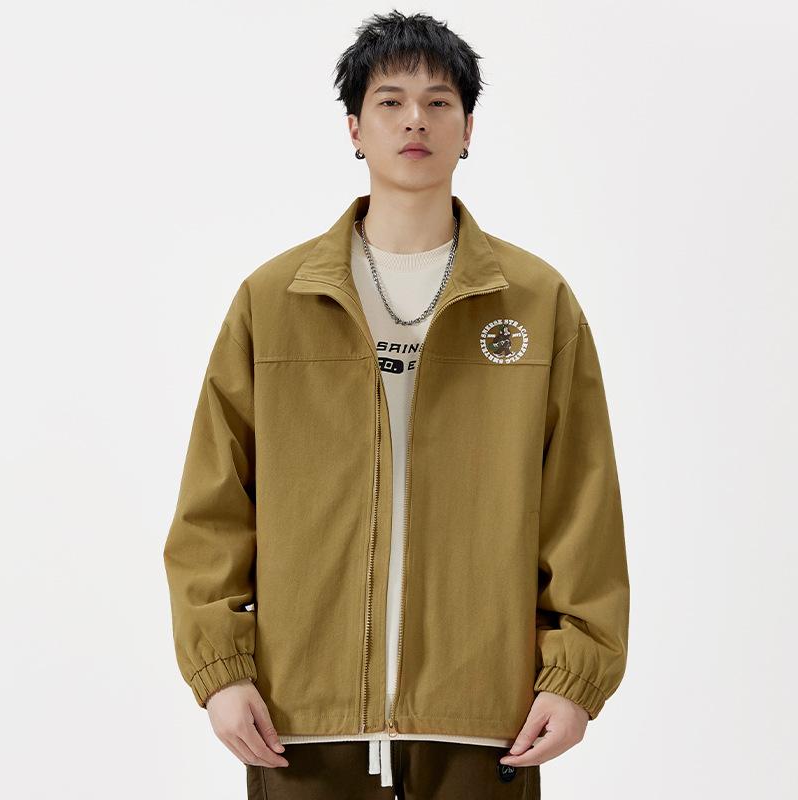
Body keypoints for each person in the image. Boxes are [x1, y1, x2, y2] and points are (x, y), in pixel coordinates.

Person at [163, 10, 630, 800]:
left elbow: (582, 502)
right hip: (299, 720)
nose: (416, 119)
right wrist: (220, 670)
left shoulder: (536, 301)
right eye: (390, 101)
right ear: (354, 127)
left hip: (486, 719)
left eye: (439, 102)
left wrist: (575, 675)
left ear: (468, 129)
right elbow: (213, 506)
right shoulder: (273, 301)